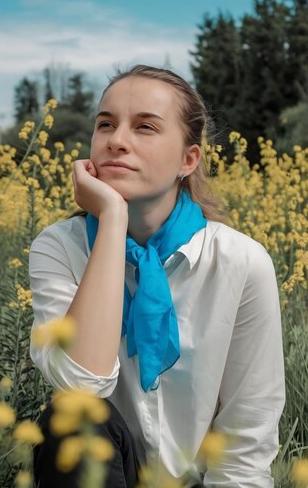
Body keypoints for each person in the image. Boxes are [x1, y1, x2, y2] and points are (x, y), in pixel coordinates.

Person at [29, 65, 285, 488]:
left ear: (189, 159)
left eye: (145, 127)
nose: (116, 140)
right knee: (71, 420)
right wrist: (112, 218)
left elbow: (245, 445)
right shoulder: (60, 247)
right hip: (104, 474)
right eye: (105, 124)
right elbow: (80, 383)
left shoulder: (240, 261)